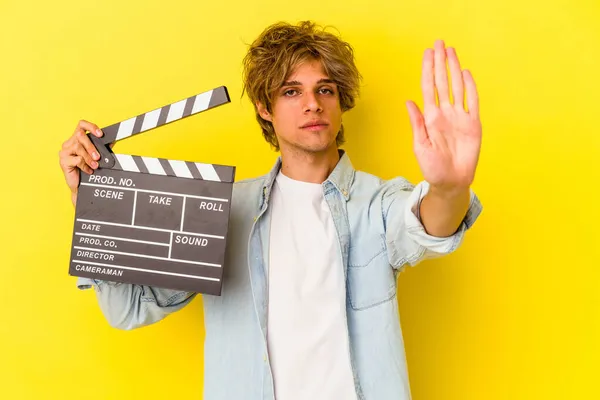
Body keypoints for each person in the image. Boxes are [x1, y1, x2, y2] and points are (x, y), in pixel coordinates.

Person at [59, 20, 482, 400]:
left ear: (341, 102)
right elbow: (129, 309)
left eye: (325, 89)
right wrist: (93, 204)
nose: (312, 103)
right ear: (265, 107)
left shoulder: (377, 202)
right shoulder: (222, 213)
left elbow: (429, 225)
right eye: (291, 91)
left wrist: (450, 186)